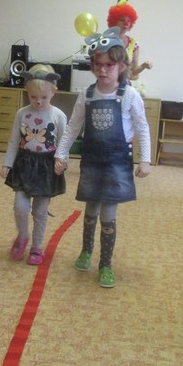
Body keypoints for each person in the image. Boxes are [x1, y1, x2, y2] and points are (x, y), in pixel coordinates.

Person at [54, 27, 151, 288]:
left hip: (117, 162)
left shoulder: (129, 95)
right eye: (98, 65)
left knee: (108, 212)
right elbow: (73, 126)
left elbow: (142, 127)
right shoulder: (86, 95)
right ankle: (86, 251)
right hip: (92, 160)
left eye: (109, 65)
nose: (103, 70)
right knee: (91, 209)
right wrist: (61, 153)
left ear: (122, 66)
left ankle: (105, 264)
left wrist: (145, 159)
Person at [1, 65, 67, 265]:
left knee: (40, 211)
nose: (38, 101)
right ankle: (23, 236)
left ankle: (37, 247)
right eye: (33, 97)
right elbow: (14, 140)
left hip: (46, 167)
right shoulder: (22, 113)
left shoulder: (58, 115)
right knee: (20, 207)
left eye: (44, 97)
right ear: (27, 92)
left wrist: (62, 162)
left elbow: (64, 143)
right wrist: (7, 163)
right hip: (24, 164)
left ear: (53, 92)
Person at [106, 0, 152, 83]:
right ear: (114, 21)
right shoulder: (105, 41)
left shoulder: (133, 44)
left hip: (124, 86)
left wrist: (144, 66)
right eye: (122, 20)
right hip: (107, 84)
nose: (126, 23)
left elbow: (132, 73)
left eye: (128, 21)